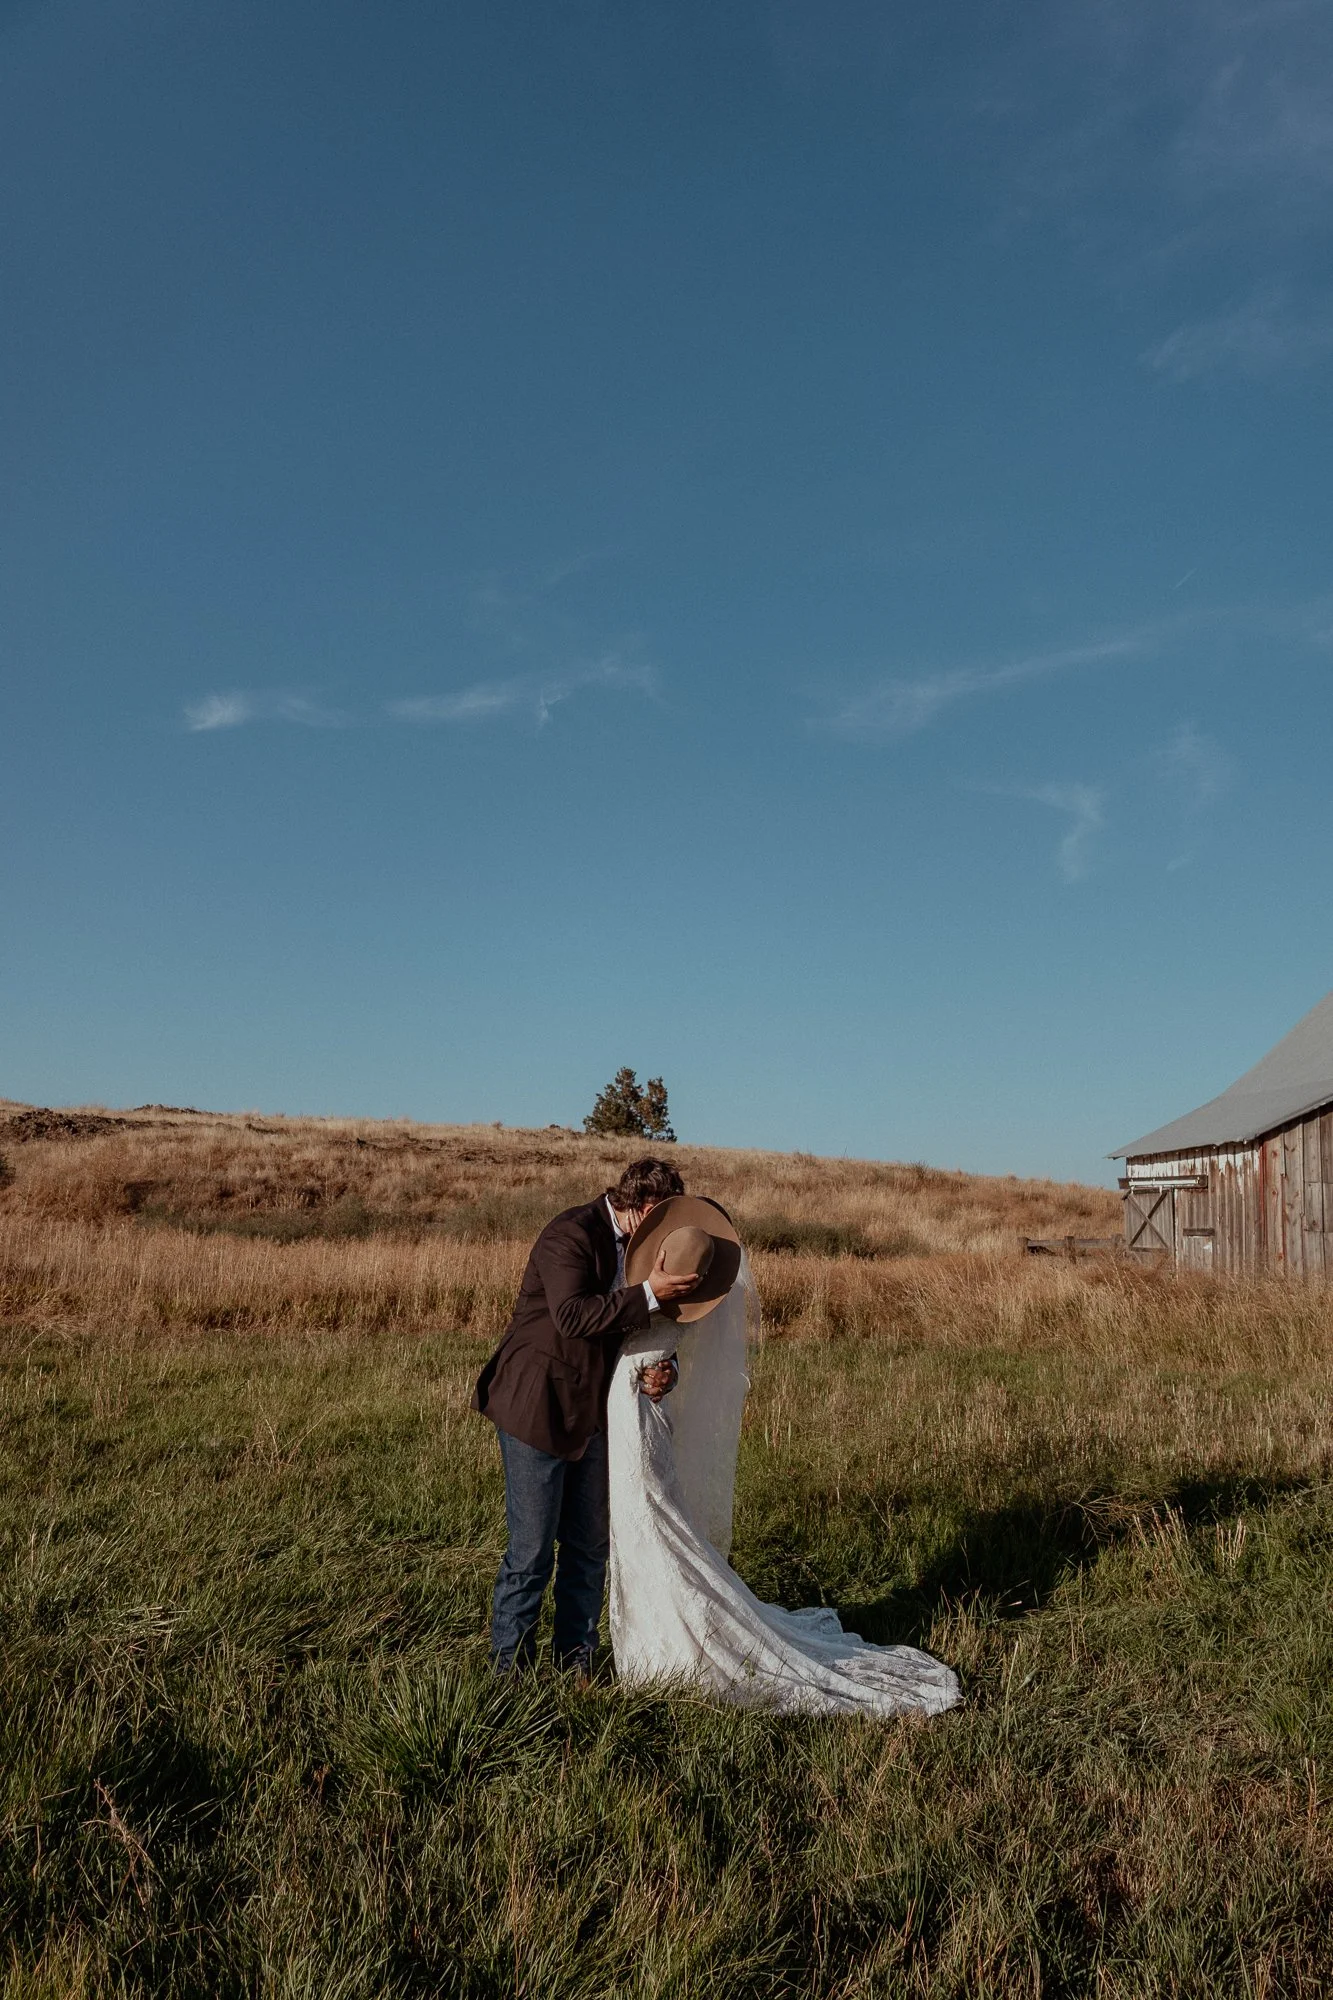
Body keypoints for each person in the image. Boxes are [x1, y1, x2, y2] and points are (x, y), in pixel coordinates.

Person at [606, 1196, 962, 1717]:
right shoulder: (680, 1300)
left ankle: (668, 1645)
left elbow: (652, 1353)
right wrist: (664, 1370)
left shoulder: (660, 1300)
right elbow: (659, 1358)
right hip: (634, 1414)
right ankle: (653, 1637)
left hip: (636, 1420)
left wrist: (662, 1368)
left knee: (652, 1522)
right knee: (649, 1522)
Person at [473, 1156, 700, 1675]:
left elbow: (644, 1337)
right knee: (531, 1552)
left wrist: (664, 1370)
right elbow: (574, 1317)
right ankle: (508, 1673)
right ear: (641, 1210)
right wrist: (649, 1294)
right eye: (662, 1221)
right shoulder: (569, 1234)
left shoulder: (649, 1259)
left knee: (589, 1545)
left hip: (600, 1412)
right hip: (539, 1407)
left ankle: (577, 1664)